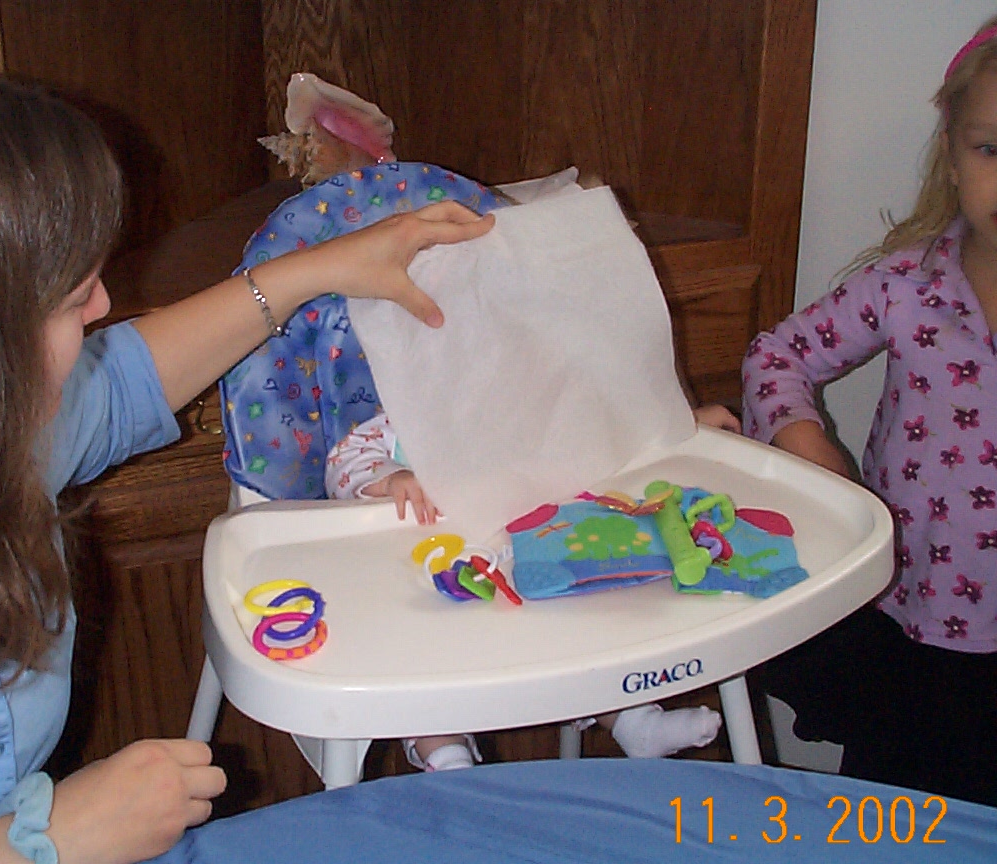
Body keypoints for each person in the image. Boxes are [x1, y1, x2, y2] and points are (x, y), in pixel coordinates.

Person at [0, 52, 494, 864]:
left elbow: (123, 382)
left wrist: (321, 267)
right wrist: (48, 840)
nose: (102, 304)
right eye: (67, 300)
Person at [741, 16, 997, 806]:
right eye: (992, 150)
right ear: (952, 154)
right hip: (905, 622)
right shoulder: (907, 285)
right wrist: (811, 448)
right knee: (888, 815)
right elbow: (776, 355)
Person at [326, 404, 738, 770]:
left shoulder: (530, 409)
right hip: (440, 586)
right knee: (418, 661)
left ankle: (635, 721)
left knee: (587, 628)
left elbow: (614, 436)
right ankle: (446, 754)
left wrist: (684, 427)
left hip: (527, 572)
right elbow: (343, 463)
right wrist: (393, 478)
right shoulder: (398, 424)